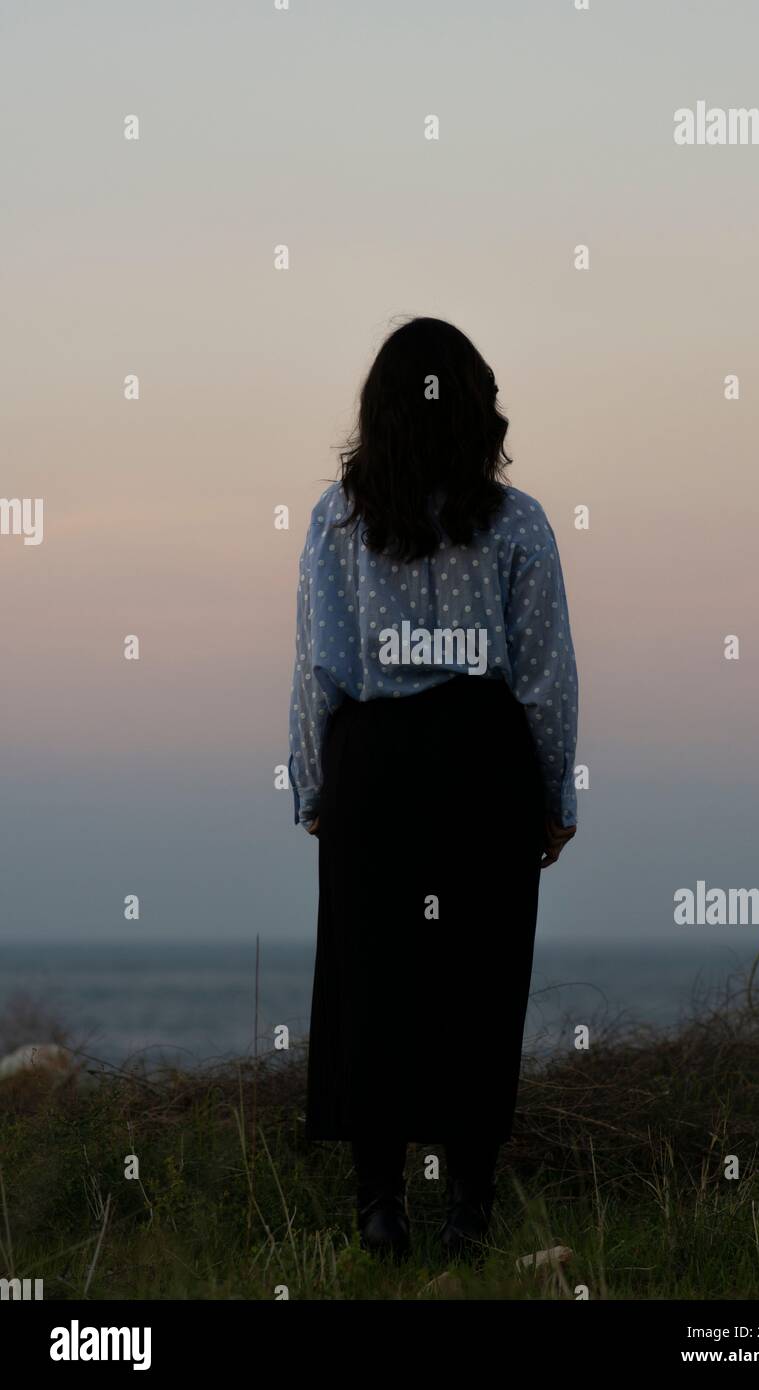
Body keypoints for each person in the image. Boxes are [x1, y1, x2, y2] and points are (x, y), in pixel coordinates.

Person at [289, 316, 578, 1260]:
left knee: (371, 982)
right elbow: (544, 674)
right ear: (478, 410)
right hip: (482, 763)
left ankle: (379, 1206)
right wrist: (554, 797)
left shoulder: (337, 518)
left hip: (374, 766)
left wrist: (312, 783)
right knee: (479, 985)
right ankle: (468, 1212)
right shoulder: (519, 521)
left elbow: (319, 669)